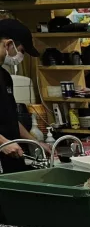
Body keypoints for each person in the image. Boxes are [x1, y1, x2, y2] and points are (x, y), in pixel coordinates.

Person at [0, 18, 49, 173]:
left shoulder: (4, 76)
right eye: (21, 51)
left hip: (11, 156)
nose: (20, 57)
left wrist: (34, 143)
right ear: (8, 44)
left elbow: (11, 117)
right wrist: (2, 142)